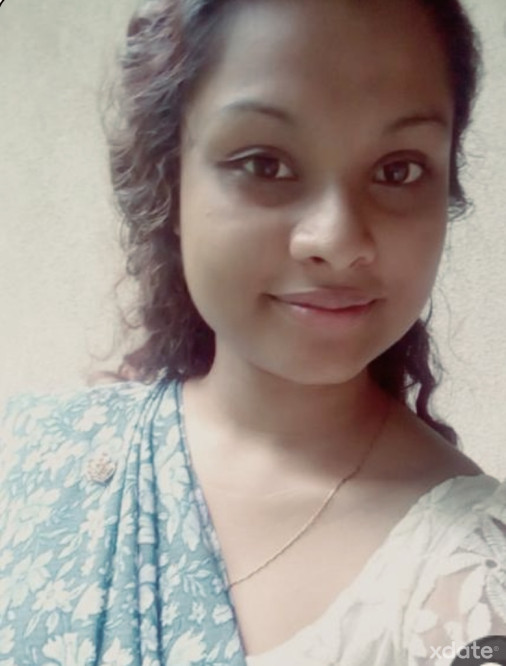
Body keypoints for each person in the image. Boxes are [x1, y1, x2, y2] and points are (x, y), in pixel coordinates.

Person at [1, 0, 505, 664]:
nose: (336, 240)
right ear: (169, 182)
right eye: (265, 163)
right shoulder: (28, 455)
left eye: (398, 170)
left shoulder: (469, 583)